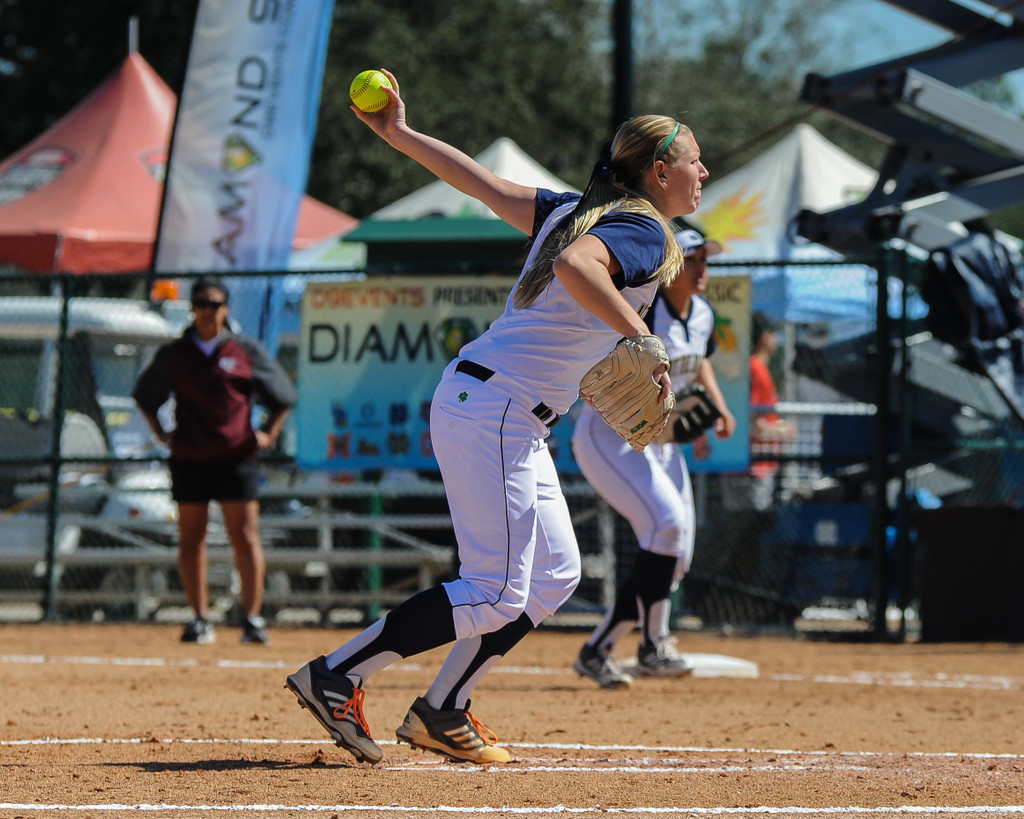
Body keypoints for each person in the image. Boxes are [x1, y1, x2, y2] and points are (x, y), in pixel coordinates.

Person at [284, 68, 708, 766]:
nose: (703, 170)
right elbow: (577, 267)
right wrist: (642, 335)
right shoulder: (641, 228)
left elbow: (478, 182)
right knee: (493, 589)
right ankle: (337, 673)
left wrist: (399, 133)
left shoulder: (578, 207)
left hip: (501, 410)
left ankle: (443, 708)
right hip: (500, 408)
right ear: (660, 172)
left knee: (553, 576)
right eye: (693, 160)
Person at [571, 228, 736, 689]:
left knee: (675, 552)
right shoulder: (642, 309)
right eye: (694, 259)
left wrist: (716, 407)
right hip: (611, 435)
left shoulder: (700, 312)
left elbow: (698, 361)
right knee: (667, 527)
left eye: (706, 259)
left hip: (661, 440)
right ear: (669, 269)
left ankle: (599, 649)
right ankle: (654, 644)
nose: (702, 268)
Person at [132, 277, 296, 645]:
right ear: (192, 308)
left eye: (216, 304)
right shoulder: (177, 353)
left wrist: (268, 432)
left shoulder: (243, 350)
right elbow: (145, 396)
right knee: (192, 538)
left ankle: (251, 619)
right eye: (202, 304)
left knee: (245, 537)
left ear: (227, 308)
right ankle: (199, 618)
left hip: (236, 459)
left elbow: (283, 395)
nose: (209, 311)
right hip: (190, 457)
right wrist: (160, 433)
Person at [748, 310, 794, 511]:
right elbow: (755, 425)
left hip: (764, 465)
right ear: (764, 337)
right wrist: (784, 431)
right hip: (755, 467)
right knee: (751, 525)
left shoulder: (761, 369)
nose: (777, 339)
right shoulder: (755, 368)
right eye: (774, 334)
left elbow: (767, 417)